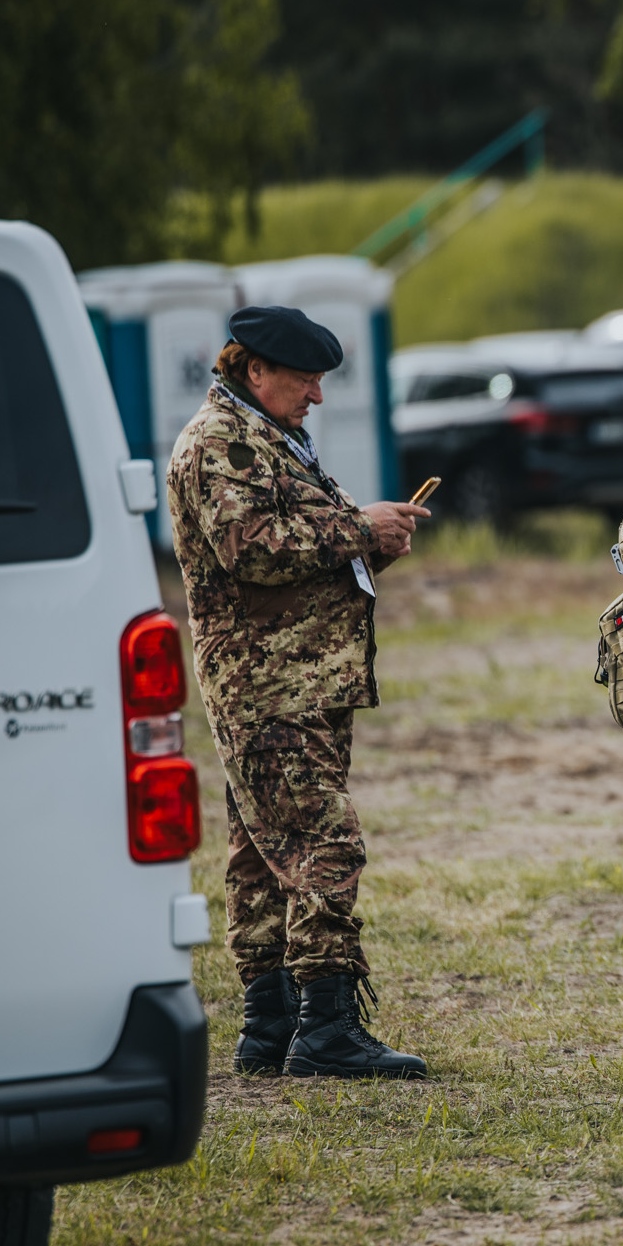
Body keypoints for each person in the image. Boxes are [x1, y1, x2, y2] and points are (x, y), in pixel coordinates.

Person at [167, 305, 433, 1079]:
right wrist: (359, 527)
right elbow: (249, 547)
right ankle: (326, 1028)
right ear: (256, 371)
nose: (316, 395)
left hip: (291, 680)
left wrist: (375, 541)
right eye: (305, 380)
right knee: (323, 841)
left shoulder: (268, 438)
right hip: (266, 685)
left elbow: (300, 555)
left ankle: (271, 1023)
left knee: (261, 851)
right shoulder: (220, 443)